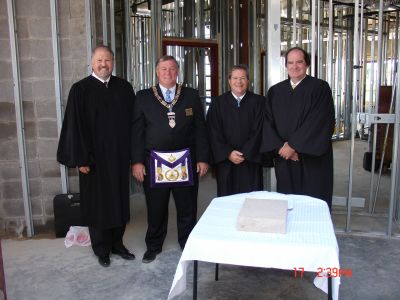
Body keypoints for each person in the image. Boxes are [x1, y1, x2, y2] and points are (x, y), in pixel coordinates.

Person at [57, 45, 136, 267]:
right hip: (93, 161)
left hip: (119, 158)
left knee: (119, 202)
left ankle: (117, 244)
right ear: (92, 62)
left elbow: (133, 125)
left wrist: (134, 156)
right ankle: (101, 248)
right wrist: (80, 159)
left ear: (113, 62)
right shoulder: (80, 90)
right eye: (100, 60)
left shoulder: (124, 88)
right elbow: (74, 127)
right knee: (98, 204)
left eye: (108, 60)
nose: (104, 64)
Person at [131, 55, 210, 263]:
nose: (168, 73)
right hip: (154, 162)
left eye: (172, 69)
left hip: (186, 160)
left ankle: (188, 243)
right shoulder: (143, 96)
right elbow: (137, 132)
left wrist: (202, 158)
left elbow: (200, 129)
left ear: (178, 72)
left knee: (187, 207)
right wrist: (137, 162)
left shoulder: (191, 95)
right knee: (156, 208)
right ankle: (154, 245)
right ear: (157, 72)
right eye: (164, 69)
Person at [260, 47, 335, 210]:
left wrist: (293, 146)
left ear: (306, 64)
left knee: (313, 201)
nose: (295, 66)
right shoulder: (275, 91)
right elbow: (267, 123)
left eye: (299, 62)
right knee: (288, 203)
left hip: (312, 159)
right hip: (285, 158)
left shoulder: (320, 88)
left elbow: (320, 121)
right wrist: (281, 147)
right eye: (290, 62)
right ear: (286, 66)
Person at [207, 64, 264, 196]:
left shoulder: (259, 102)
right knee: (227, 199)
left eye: (243, 78)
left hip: (250, 161)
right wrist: (228, 153)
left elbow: (260, 130)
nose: (239, 82)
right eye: (235, 78)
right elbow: (213, 131)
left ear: (248, 81)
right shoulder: (218, 103)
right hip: (226, 161)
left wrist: (245, 153)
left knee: (252, 199)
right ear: (229, 80)